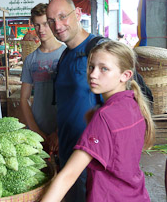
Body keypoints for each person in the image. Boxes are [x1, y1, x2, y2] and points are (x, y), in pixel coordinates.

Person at [41, 40, 155, 202]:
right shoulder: (133, 103)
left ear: (125, 75)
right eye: (91, 67)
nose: (93, 74)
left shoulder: (104, 116)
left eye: (104, 69)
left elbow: (69, 175)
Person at [46, 0, 100, 201]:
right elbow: (69, 102)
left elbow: (118, 106)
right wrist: (59, 133)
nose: (57, 25)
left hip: (92, 159)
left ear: (77, 14)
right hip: (68, 153)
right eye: (51, 20)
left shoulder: (98, 51)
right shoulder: (65, 55)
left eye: (62, 17)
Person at [20, 3, 66, 154]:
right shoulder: (30, 59)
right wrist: (35, 130)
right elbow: (24, 98)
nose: (41, 30)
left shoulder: (66, 54)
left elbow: (73, 96)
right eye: (37, 25)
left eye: (45, 24)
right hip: (36, 131)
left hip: (64, 128)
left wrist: (59, 131)